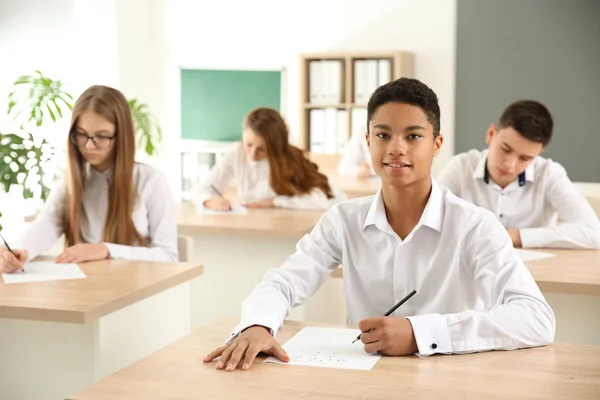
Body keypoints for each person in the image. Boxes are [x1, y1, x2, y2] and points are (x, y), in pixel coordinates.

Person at [202, 78, 555, 371]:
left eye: (413, 136)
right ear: (368, 142)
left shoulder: (475, 226)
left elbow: (536, 318)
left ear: (436, 145)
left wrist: (421, 333)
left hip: (452, 381)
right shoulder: (343, 219)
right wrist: (257, 324)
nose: (397, 148)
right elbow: (284, 281)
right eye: (383, 135)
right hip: (362, 380)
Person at [0, 85, 178, 273]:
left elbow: (169, 256)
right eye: (82, 134)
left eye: (102, 136)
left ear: (121, 137)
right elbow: (48, 223)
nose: (89, 146)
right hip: (87, 285)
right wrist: (20, 250)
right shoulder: (73, 179)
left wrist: (106, 250)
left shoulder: (150, 180)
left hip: (140, 288)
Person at [436, 100, 600, 249]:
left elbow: (593, 233)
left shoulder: (549, 174)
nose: (510, 165)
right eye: (506, 149)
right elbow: (426, 218)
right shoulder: (461, 167)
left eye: (525, 158)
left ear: (538, 153)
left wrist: (515, 236)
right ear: (491, 134)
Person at [195, 107, 344, 211]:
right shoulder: (237, 152)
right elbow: (200, 189)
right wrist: (208, 200)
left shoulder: (291, 159)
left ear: (275, 147)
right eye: (249, 144)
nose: (252, 154)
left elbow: (318, 201)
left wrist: (273, 202)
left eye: (261, 149)